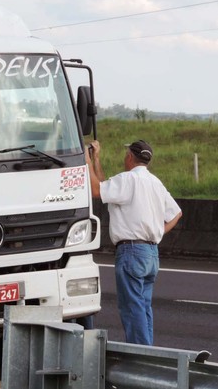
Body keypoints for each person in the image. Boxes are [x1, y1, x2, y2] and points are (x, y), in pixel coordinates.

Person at [85, 139, 182, 345]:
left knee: (132, 307)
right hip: (151, 253)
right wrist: (96, 159)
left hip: (131, 252)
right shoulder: (155, 183)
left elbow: (95, 190)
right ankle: (148, 351)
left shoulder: (128, 180)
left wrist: (86, 160)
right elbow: (176, 213)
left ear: (130, 157)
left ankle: (141, 355)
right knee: (143, 306)